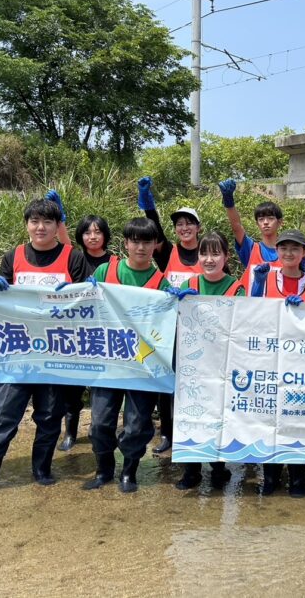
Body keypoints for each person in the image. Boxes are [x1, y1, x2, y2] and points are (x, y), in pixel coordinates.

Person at [0, 199, 90, 504]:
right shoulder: (13, 257)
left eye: (48, 222)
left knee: (50, 416)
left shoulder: (73, 258)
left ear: (57, 227)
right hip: (17, 354)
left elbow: (86, 304)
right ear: (27, 224)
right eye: (35, 222)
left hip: (56, 355)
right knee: (2, 417)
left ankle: (41, 471)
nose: (40, 228)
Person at [82, 217, 190, 493]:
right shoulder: (106, 271)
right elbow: (82, 301)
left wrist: (186, 303)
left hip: (143, 368)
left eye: (147, 241)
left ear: (156, 246)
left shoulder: (163, 285)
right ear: (126, 243)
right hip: (108, 364)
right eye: (135, 241)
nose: (141, 247)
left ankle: (129, 471)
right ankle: (103, 470)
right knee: (100, 423)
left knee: (137, 425)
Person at [251, 229, 305, 497]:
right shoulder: (266, 278)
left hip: (301, 366)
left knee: (297, 420)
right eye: (283, 248)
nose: (289, 253)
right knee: (269, 419)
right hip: (269, 364)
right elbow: (250, 317)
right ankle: (269, 477)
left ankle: (297, 477)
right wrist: (257, 287)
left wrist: (304, 314)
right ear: (277, 252)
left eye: (295, 248)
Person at [137, 176, 202, 454]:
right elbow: (156, 230)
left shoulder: (208, 253)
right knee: (167, 383)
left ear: (198, 227)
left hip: (200, 331)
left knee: (196, 381)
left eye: (189, 222)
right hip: (168, 329)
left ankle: (196, 429)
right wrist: (147, 202)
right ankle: (167, 433)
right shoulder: (168, 254)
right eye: (179, 224)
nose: (184, 227)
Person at [175, 231, 245, 491]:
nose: (209, 259)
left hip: (222, 366)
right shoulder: (187, 286)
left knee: (218, 417)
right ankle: (190, 470)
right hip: (191, 367)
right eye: (204, 253)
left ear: (226, 256)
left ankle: (218, 466)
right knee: (189, 415)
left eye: (216, 253)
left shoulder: (237, 288)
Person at [56, 214, 113, 452]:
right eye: (87, 232)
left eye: (97, 232)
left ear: (105, 235)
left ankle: (96, 428)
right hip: (76, 332)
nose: (92, 236)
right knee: (73, 387)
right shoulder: (75, 259)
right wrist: (59, 218)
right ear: (80, 236)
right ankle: (70, 432)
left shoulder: (115, 262)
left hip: (104, 334)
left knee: (101, 387)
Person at [217, 178, 284, 292]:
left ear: (280, 222)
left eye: (271, 218)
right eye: (261, 219)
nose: (266, 222)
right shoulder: (251, 249)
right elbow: (236, 227)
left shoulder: (287, 253)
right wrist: (229, 202)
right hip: (250, 308)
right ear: (257, 223)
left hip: (278, 309)